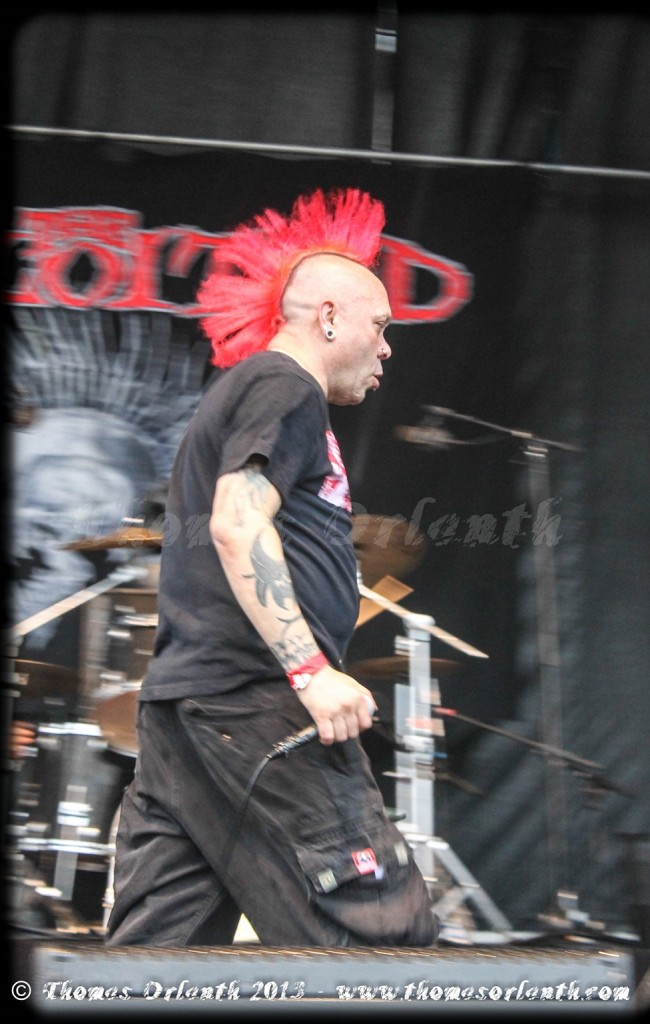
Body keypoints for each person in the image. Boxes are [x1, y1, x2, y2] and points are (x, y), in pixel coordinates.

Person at [106, 189, 439, 948]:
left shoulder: (254, 392)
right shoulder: (284, 383)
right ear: (330, 317)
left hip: (190, 713)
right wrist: (309, 672)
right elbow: (236, 521)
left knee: (158, 961)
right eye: (381, 326)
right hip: (256, 705)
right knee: (380, 939)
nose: (388, 348)